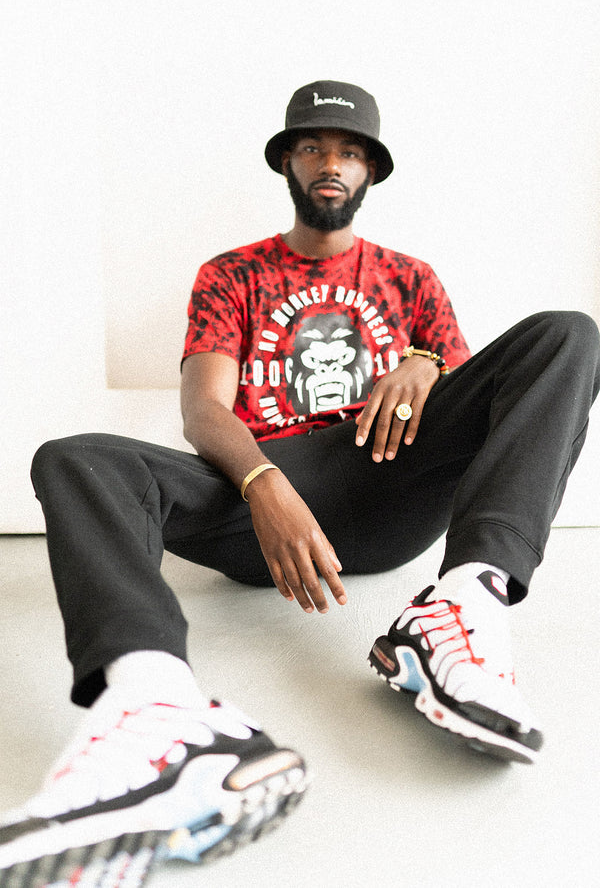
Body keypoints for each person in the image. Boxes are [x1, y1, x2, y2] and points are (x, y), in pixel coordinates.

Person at [1, 79, 599, 887]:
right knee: (73, 457)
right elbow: (203, 409)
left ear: (371, 170)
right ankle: (154, 707)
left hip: (386, 476)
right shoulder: (232, 274)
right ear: (288, 161)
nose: (331, 163)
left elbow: (489, 402)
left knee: (567, 336)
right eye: (314, 146)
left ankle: (466, 605)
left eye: (350, 151)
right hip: (256, 499)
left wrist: (425, 365)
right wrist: (262, 480)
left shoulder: (411, 278)